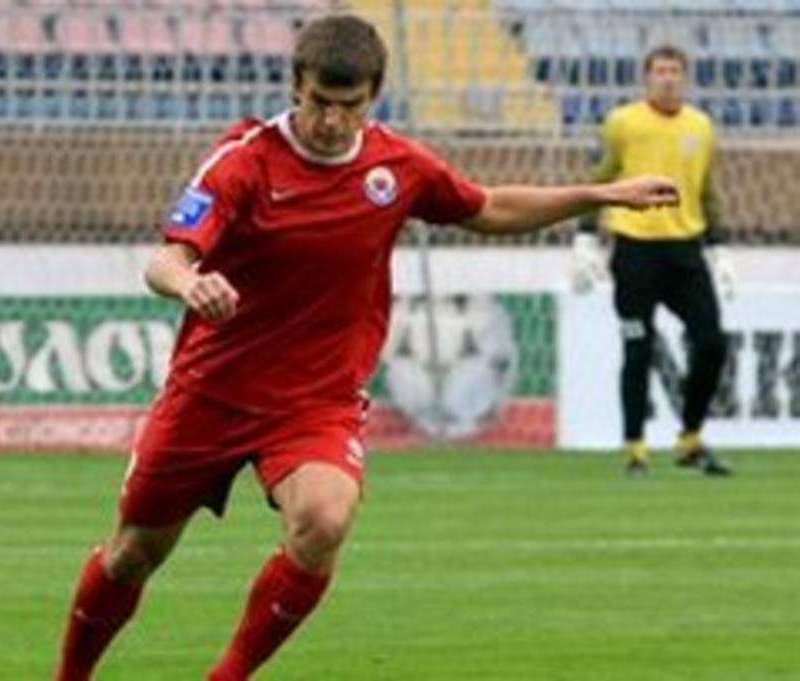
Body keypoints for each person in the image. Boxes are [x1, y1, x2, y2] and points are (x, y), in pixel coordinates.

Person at [54, 15, 680, 680]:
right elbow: (166, 258)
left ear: (373, 96)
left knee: (324, 520)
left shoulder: (397, 167)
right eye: (318, 102)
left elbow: (488, 207)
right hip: (211, 392)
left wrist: (600, 195)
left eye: (348, 106)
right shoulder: (244, 161)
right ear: (295, 87)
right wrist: (190, 281)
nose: (330, 120)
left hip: (314, 402)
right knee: (133, 553)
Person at [571, 45, 733, 478]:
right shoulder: (623, 123)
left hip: (685, 249)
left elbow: (706, 189)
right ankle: (635, 448)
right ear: (646, 77)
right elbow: (600, 179)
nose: (668, 79)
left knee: (712, 343)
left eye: (675, 71)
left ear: (685, 77)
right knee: (638, 347)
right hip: (634, 249)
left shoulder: (700, 125)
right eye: (660, 71)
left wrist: (719, 248)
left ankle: (690, 438)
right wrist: (586, 238)